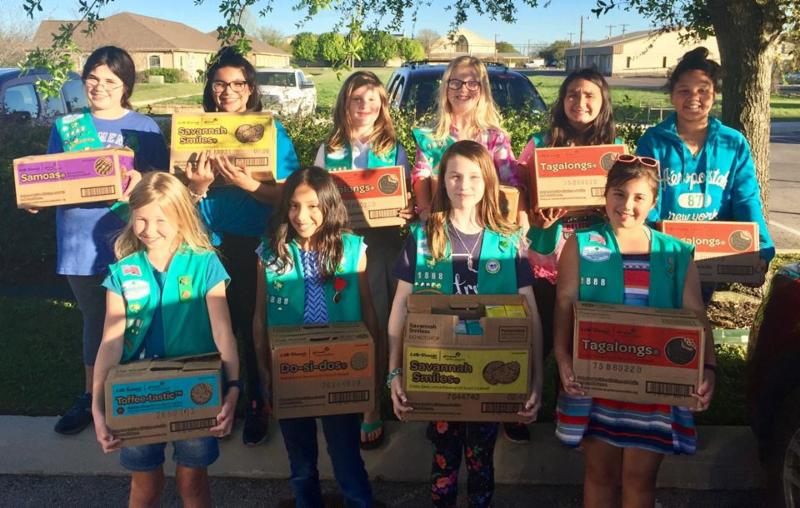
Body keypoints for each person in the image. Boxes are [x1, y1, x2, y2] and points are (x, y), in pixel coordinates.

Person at [553, 155, 716, 508]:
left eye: (639, 197)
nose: (627, 205)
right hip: (594, 382)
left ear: (654, 202)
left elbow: (696, 316)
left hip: (654, 390)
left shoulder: (675, 253)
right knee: (600, 475)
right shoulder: (581, 245)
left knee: (639, 480)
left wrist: (708, 369)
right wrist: (563, 359)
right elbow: (565, 304)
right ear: (605, 195)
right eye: (619, 194)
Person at [387, 140, 543, 507]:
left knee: (481, 461)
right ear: (442, 180)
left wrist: (535, 381)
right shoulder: (423, 237)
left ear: (488, 181)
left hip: (489, 376)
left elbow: (531, 316)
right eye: (454, 176)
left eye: (474, 176)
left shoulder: (508, 241)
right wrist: (394, 373)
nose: (464, 185)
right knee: (443, 461)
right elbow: (399, 311)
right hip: (439, 371)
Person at [41, 45, 169, 435]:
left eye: (110, 81)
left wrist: (142, 181)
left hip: (133, 238)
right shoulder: (67, 127)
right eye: (92, 79)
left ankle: (139, 391)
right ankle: (92, 398)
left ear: (125, 85)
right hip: (80, 242)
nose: (100, 87)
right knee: (96, 320)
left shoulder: (144, 127)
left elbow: (164, 184)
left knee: (141, 315)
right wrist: (34, 198)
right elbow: (48, 179)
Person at [91, 172, 240, 507]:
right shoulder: (123, 271)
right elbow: (111, 342)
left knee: (193, 483)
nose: (149, 229)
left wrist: (233, 388)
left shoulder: (205, 264)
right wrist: (98, 407)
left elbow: (222, 332)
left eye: (161, 220)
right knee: (145, 486)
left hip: (194, 389)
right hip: (136, 392)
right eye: (141, 219)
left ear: (182, 218)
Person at [185, 47, 301, 446]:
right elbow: (179, 193)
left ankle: (257, 401)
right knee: (215, 326)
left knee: (253, 326)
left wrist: (246, 183)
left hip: (254, 242)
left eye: (237, 83)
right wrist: (198, 186)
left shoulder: (271, 132)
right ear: (210, 88)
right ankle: (216, 402)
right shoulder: (194, 130)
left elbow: (287, 194)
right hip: (205, 243)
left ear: (251, 89)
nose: (228, 91)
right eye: (220, 83)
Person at [253, 167, 376, 507]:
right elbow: (260, 317)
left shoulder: (352, 249)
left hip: (340, 370)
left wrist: (372, 386)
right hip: (291, 371)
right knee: (301, 464)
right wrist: (264, 372)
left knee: (347, 459)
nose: (302, 216)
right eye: (294, 206)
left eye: (312, 207)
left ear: (329, 206)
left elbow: (368, 312)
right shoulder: (270, 252)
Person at [314, 70, 412, 449]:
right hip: (340, 247)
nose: (364, 106)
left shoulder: (394, 149)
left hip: (382, 247)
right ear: (345, 103)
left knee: (379, 322)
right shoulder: (328, 149)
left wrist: (406, 210)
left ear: (383, 105)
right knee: (345, 322)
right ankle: (345, 392)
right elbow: (315, 199)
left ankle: (374, 403)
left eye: (372, 99)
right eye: (357, 99)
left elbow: (405, 199)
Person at [636, 46, 774, 300]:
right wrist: (653, 238)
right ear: (672, 95)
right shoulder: (653, 141)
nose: (694, 98)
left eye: (703, 90)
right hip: (663, 251)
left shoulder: (732, 143)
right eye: (684, 91)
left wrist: (762, 248)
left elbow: (746, 199)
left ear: (714, 94)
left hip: (711, 253)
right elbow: (642, 196)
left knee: (697, 311)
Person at [518, 67, 620, 394]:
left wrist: (609, 209)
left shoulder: (615, 150)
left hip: (594, 255)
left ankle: (572, 404)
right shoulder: (539, 144)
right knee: (537, 336)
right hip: (546, 255)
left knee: (585, 337)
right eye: (572, 94)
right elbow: (519, 193)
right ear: (562, 100)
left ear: (603, 102)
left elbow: (627, 200)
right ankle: (524, 403)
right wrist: (533, 218)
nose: (580, 101)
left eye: (589, 95)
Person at [411, 56, 527, 231]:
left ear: (482, 90)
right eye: (455, 83)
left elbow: (511, 180)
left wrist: (521, 217)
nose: (463, 89)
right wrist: (425, 212)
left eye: (472, 83)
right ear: (446, 88)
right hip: (442, 227)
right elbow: (421, 177)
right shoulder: (430, 138)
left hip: (485, 226)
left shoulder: (495, 138)